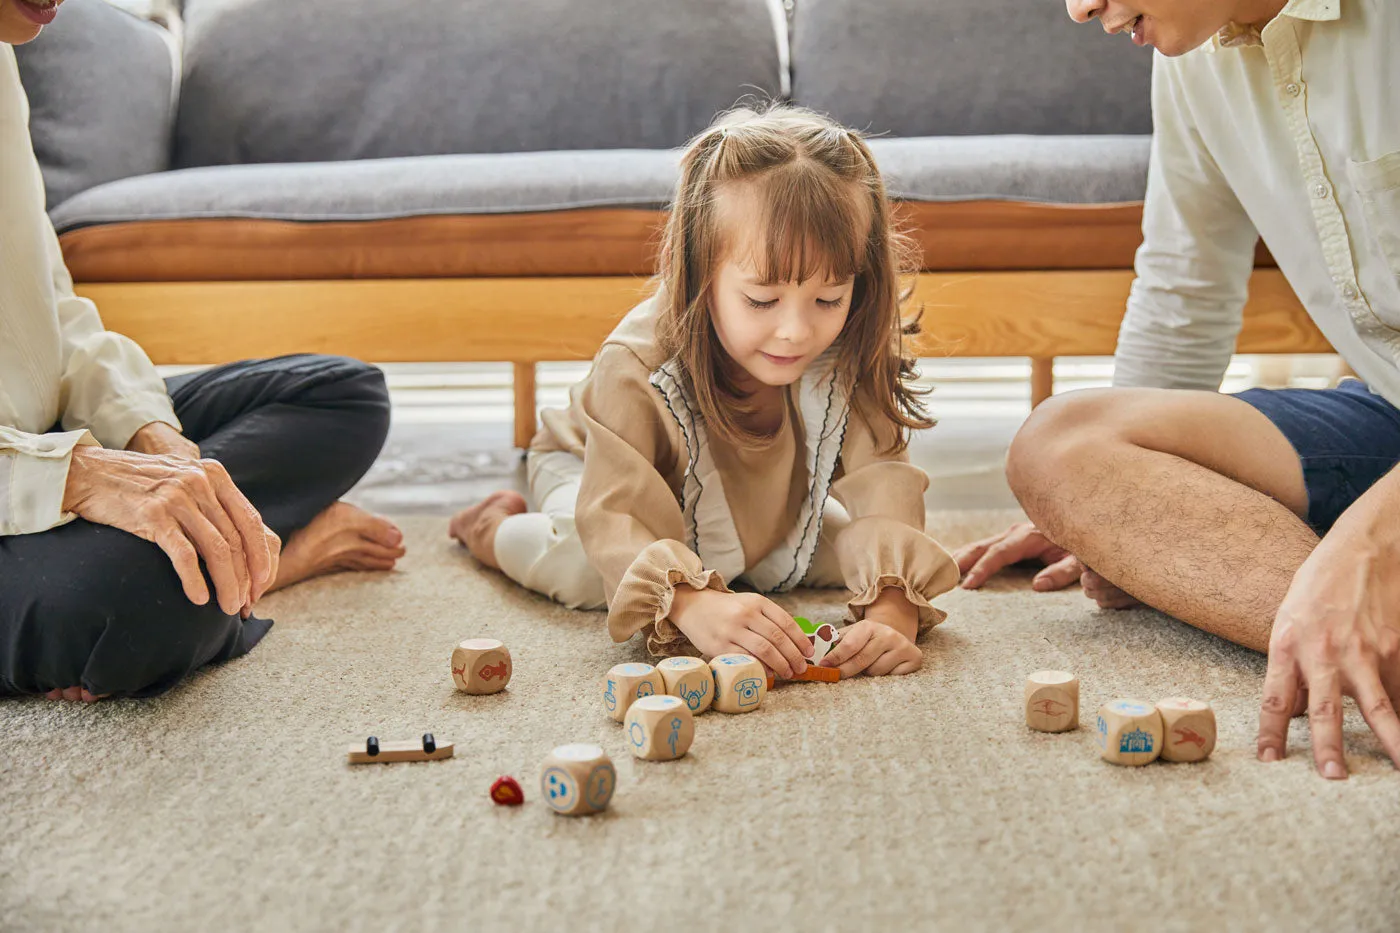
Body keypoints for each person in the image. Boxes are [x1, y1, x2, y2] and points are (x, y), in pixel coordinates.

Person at [956, 0, 1400, 779]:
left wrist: (1371, 540)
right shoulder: (1188, 63)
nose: (1079, 7)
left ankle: (1359, 615)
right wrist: (1113, 512)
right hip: (1385, 410)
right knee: (1058, 444)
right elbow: (1184, 292)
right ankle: (1350, 626)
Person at [451, 104, 960, 679]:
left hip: (748, 504)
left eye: (828, 298)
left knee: (834, 555)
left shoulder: (852, 345)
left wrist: (892, 613)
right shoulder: (633, 363)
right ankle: (489, 529)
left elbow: (883, 490)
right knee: (587, 571)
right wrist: (692, 604)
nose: (796, 331)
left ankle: (726, 561)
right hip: (596, 472)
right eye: (761, 300)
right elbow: (615, 518)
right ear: (688, 270)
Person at [1, 0, 405, 701]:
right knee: (139, 598)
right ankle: (269, 562)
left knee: (342, 393)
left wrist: (152, 439)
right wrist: (81, 479)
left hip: (49, 439)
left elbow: (51, 304)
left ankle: (218, 553)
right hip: (25, 480)